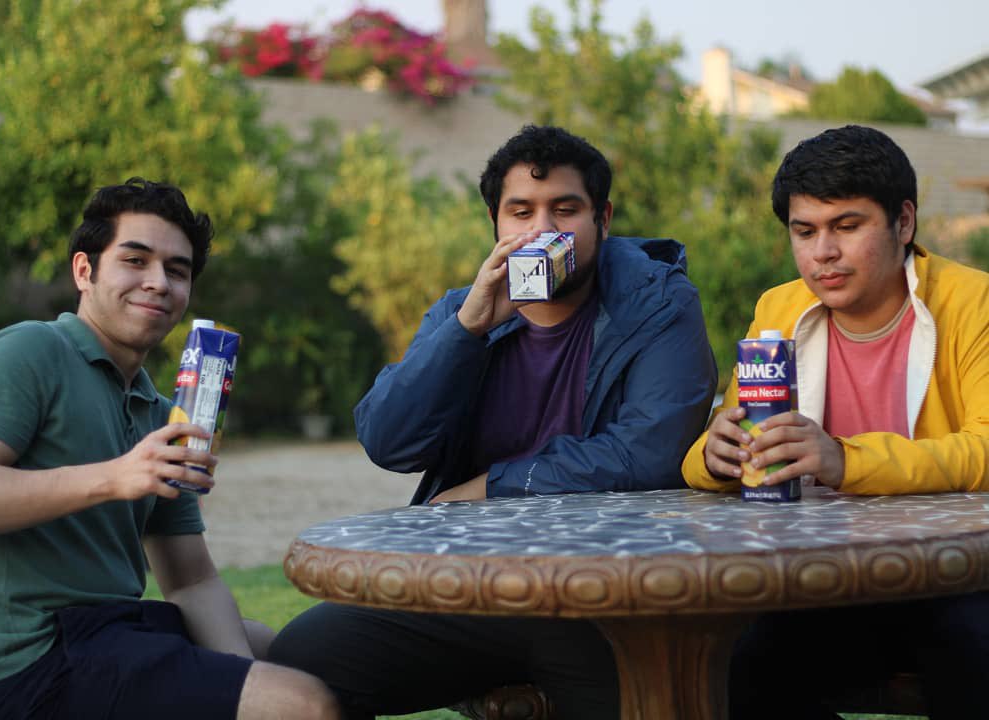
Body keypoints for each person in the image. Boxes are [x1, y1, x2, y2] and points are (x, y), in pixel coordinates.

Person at [264, 125, 718, 719]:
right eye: (521, 212)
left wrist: (493, 486)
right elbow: (388, 442)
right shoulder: (462, 310)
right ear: (496, 223)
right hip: (469, 585)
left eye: (565, 210)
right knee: (297, 666)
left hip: (605, 595)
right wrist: (466, 331)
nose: (542, 230)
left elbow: (649, 454)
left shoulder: (659, 304)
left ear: (602, 219)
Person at [0, 178, 340, 720]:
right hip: (32, 659)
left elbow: (191, 580)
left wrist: (238, 678)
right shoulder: (27, 352)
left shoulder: (161, 414)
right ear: (84, 271)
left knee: (298, 661)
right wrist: (117, 476)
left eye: (177, 271)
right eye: (135, 260)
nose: (158, 282)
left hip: (115, 629)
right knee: (305, 705)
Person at [681, 125, 989, 719]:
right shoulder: (780, 308)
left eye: (846, 226)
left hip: (959, 577)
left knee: (975, 647)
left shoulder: (973, 302)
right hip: (825, 582)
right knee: (731, 664)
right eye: (805, 231)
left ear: (903, 222)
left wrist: (845, 460)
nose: (823, 252)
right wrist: (715, 458)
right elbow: (711, 450)